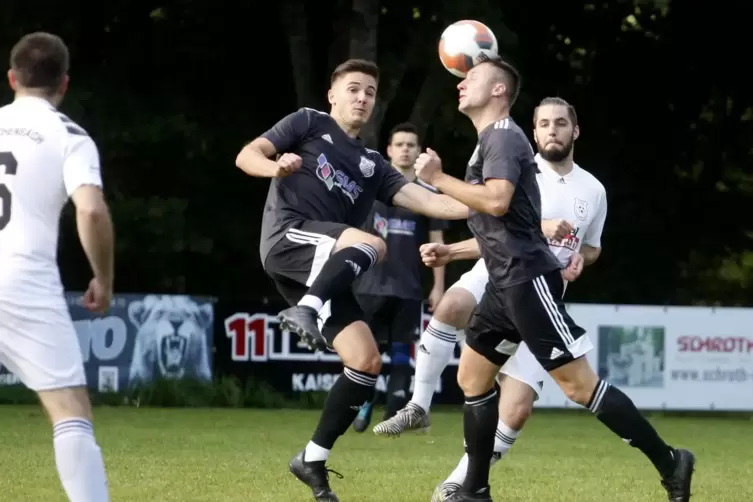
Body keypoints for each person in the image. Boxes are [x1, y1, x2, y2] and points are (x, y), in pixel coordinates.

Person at [412, 59, 694, 502]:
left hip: (527, 281)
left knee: (579, 387)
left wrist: (436, 179)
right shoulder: (491, 140)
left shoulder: (504, 136)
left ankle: (671, 462)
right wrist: (448, 243)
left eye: (473, 76)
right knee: (471, 377)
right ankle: (475, 489)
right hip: (504, 284)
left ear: (500, 90)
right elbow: (489, 216)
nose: (461, 82)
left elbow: (498, 202)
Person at [235, 59, 469, 501]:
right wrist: (275, 168)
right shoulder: (308, 123)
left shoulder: (373, 164)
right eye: (354, 89)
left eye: (370, 93)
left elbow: (425, 200)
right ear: (333, 95)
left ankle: (312, 458)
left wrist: (483, 206)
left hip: (322, 263)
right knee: (373, 244)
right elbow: (246, 155)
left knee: (365, 361)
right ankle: (306, 309)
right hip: (289, 237)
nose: (362, 98)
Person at [421, 97, 609, 500]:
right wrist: (452, 251)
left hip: (543, 293)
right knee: (454, 312)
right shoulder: (515, 165)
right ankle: (419, 403)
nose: (552, 130)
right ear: (535, 130)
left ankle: (461, 479)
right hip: (496, 275)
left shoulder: (593, 190)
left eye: (560, 123)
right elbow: (493, 220)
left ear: (574, 131)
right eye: (544, 123)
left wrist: (580, 258)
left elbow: (591, 248)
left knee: (518, 408)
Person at [0, 33, 113, 501]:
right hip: (22, 279)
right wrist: (103, 279)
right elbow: (90, 210)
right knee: (70, 412)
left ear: (12, 78)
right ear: (63, 83)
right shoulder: (69, 136)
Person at [351, 122, 448, 432]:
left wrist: (439, 286)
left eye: (411, 144)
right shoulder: (369, 189)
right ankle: (364, 402)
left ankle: (394, 414)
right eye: (400, 144)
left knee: (401, 354)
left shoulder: (429, 194)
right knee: (365, 352)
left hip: (408, 288)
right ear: (389, 151)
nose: (406, 149)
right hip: (368, 285)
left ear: (419, 152)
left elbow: (438, 242)